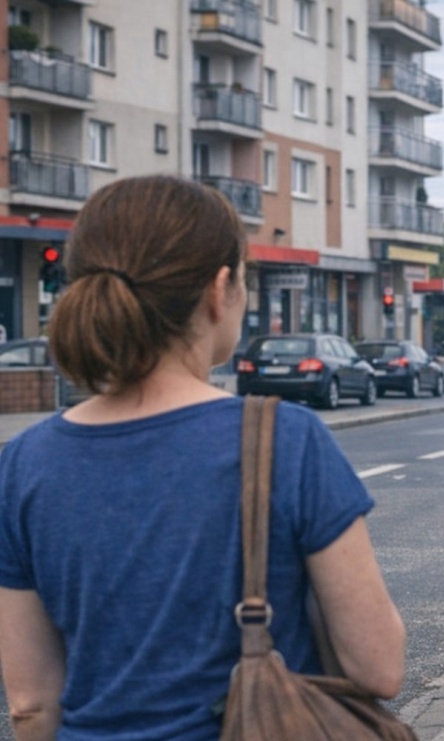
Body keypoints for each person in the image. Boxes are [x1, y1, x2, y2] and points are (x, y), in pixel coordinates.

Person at [0, 176, 405, 740]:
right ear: (220, 289)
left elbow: (30, 704)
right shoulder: (286, 439)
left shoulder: (21, 465)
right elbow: (377, 666)